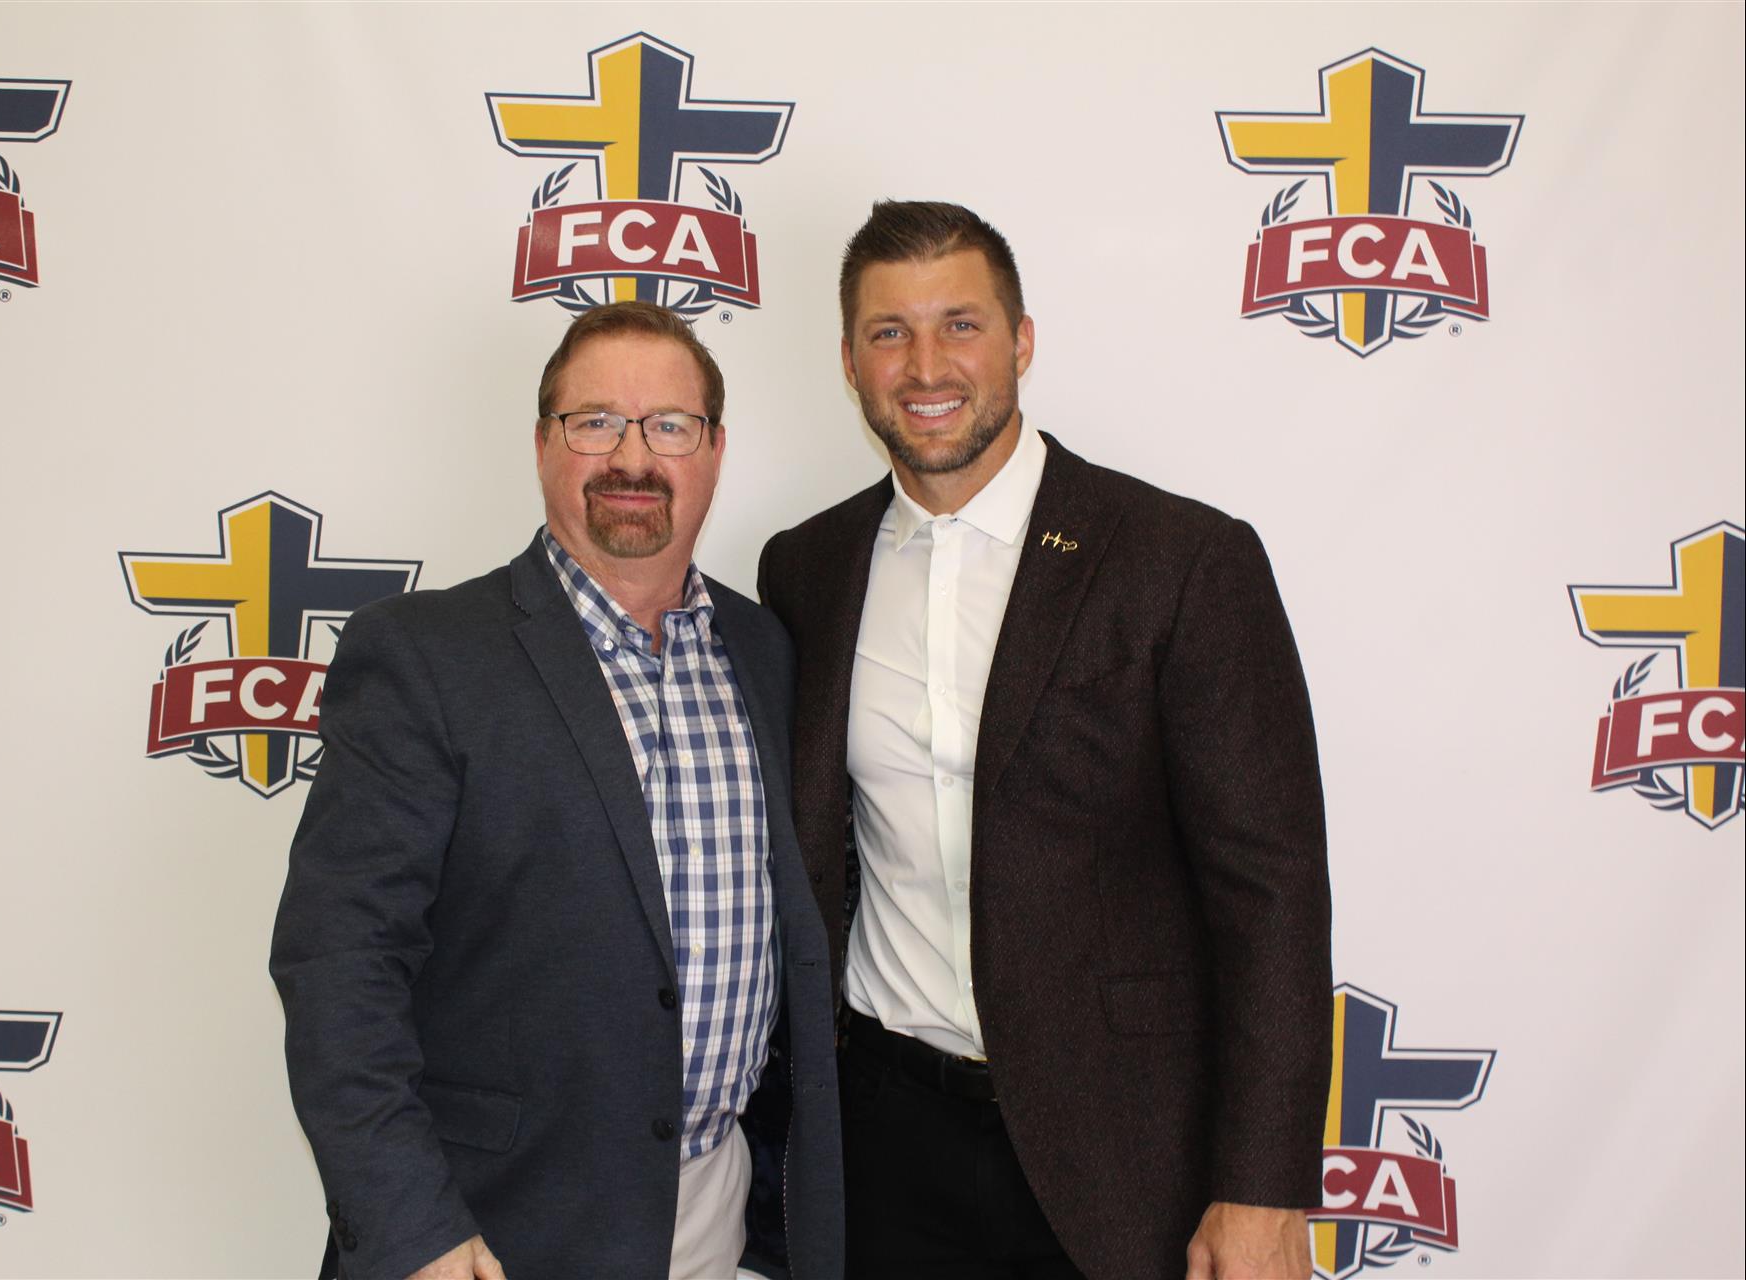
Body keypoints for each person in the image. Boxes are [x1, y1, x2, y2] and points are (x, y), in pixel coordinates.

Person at [758, 201, 1332, 1279]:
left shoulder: (1178, 559)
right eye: (890, 333)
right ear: (849, 362)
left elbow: (1274, 894)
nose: (926, 366)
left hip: (1122, 1149)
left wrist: (1263, 1184)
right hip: (885, 1138)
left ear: (1021, 341)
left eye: (960, 325)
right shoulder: (807, 567)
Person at [272, 301, 841, 1280]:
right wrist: (413, 1229)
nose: (633, 457)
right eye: (595, 422)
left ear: (714, 450)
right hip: (495, 1232)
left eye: (670, 425)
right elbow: (339, 963)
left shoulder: (765, 649)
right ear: (543, 443)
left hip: (722, 1214)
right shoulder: (425, 657)